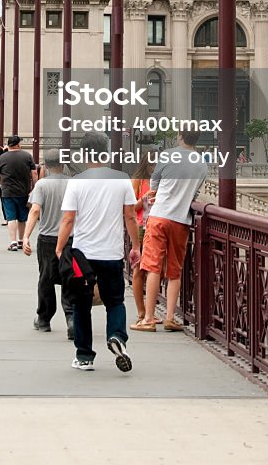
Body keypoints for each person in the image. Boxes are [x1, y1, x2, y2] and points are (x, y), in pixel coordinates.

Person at [56, 133, 141, 373]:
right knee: (115, 301)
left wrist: (60, 247)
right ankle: (116, 336)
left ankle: (84, 356)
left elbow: (68, 219)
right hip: (112, 253)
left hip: (83, 255)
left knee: (81, 304)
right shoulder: (122, 179)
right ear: (106, 152)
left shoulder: (77, 181)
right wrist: (136, 246)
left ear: (83, 153)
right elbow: (130, 216)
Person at [132, 123, 208, 333]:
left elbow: (154, 185)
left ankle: (148, 318)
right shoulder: (202, 164)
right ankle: (170, 317)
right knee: (175, 269)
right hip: (181, 219)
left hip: (159, 216)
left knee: (153, 266)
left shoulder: (167, 155)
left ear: (180, 136)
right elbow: (194, 194)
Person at [22, 149, 74, 338]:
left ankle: (44, 318)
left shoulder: (42, 185)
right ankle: (72, 318)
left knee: (46, 279)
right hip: (70, 238)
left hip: (47, 239)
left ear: (45, 165)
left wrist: (26, 236)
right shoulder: (73, 183)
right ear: (63, 165)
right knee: (70, 278)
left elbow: (35, 210)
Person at [0, 135, 37, 250]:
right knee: (22, 217)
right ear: (18, 144)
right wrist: (34, 187)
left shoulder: (2, 158)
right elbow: (34, 173)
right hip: (24, 191)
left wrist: (2, 183)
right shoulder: (27, 156)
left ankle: (13, 242)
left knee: (11, 217)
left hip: (7, 191)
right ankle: (21, 240)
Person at [130, 152, 155, 324]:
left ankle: (149, 312)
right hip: (140, 227)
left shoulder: (160, 182)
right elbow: (130, 209)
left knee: (154, 269)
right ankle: (141, 311)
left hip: (155, 226)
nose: (155, 169)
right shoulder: (138, 182)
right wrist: (144, 199)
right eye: (153, 165)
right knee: (138, 269)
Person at [0, 144, 9, 226]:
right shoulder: (11, 157)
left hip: (2, 183)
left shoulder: (0, 159)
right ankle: (9, 218)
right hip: (8, 183)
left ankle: (6, 218)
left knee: (4, 201)